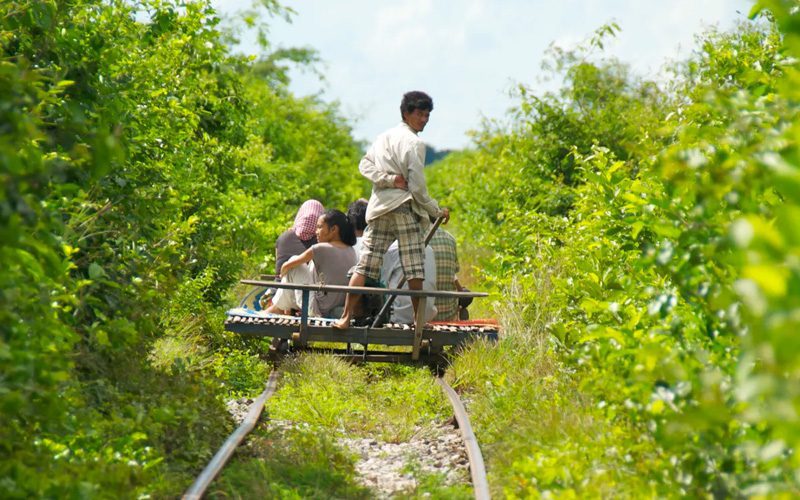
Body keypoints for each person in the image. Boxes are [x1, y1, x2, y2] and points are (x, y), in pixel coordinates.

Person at [335, 91, 449, 329]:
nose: (424, 119)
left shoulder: (383, 137)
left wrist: (386, 179)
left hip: (378, 209)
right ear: (406, 113)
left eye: (427, 115)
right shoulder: (415, 143)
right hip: (402, 208)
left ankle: (345, 318)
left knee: (365, 264)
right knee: (414, 267)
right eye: (420, 114)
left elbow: (364, 165)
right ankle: (419, 322)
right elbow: (417, 185)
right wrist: (436, 210)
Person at [267, 209, 357, 318]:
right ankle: (279, 308)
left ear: (333, 229)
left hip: (318, 310)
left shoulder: (320, 248)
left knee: (294, 262)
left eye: (319, 227)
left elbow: (286, 266)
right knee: (305, 268)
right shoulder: (351, 250)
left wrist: (283, 275)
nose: (316, 232)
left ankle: (278, 308)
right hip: (334, 306)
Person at [381, 241, 438, 324]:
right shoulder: (429, 249)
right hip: (427, 314)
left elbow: (382, 283)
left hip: (399, 317)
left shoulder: (392, 249)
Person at [275, 200, 324, 275]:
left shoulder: (283, 237)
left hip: (278, 284)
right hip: (307, 285)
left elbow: (278, 266)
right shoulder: (321, 241)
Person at [429, 227, 466, 321]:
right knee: (466, 295)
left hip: (422, 314)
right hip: (448, 315)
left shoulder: (414, 238)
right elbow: (454, 271)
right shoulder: (450, 238)